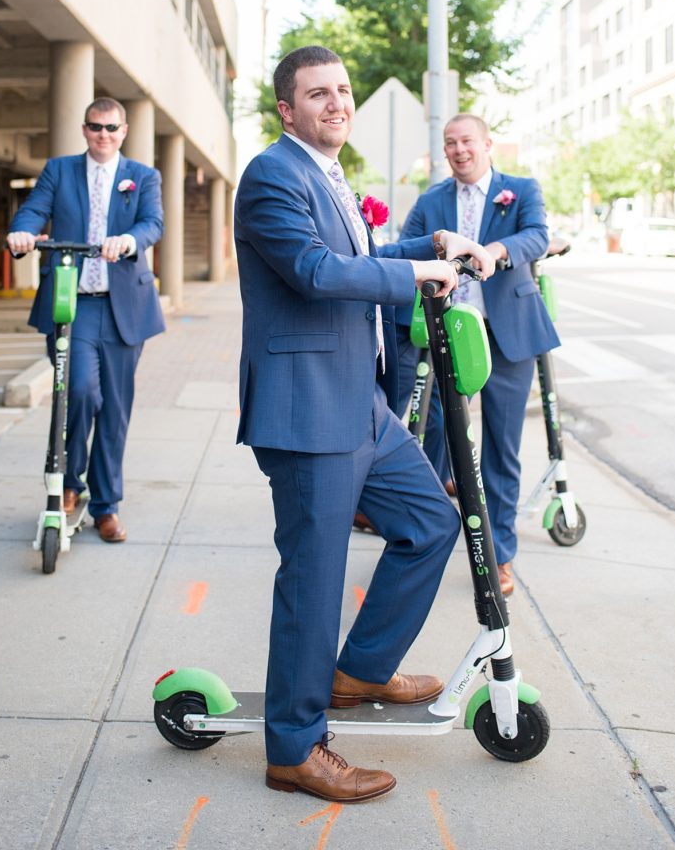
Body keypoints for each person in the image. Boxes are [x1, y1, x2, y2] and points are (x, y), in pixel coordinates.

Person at [234, 46, 494, 803]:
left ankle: (360, 670)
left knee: (429, 523)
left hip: (360, 406)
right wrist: (417, 273)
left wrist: (429, 245)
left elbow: (364, 256)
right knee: (313, 584)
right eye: (318, 94)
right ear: (287, 109)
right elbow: (315, 271)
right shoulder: (271, 175)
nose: (336, 102)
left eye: (342, 90)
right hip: (306, 411)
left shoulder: (327, 174)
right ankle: (294, 747)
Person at [394, 114, 559, 598]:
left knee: (501, 449)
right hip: (451, 335)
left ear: (487, 144)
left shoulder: (521, 189)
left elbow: (537, 237)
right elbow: (407, 249)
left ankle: (499, 555)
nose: (459, 150)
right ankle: (426, 537)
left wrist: (495, 251)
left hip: (508, 334)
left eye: (466, 141)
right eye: (450, 143)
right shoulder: (431, 201)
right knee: (438, 441)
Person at [7, 97, 165, 543]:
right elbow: (35, 210)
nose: (104, 135)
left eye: (112, 128)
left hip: (122, 309)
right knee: (76, 392)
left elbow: (153, 223)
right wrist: (22, 233)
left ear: (124, 130)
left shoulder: (142, 177)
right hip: (70, 304)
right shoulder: (60, 171)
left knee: (114, 409)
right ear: (84, 129)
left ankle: (107, 505)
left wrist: (129, 241)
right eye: (96, 127)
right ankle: (68, 485)